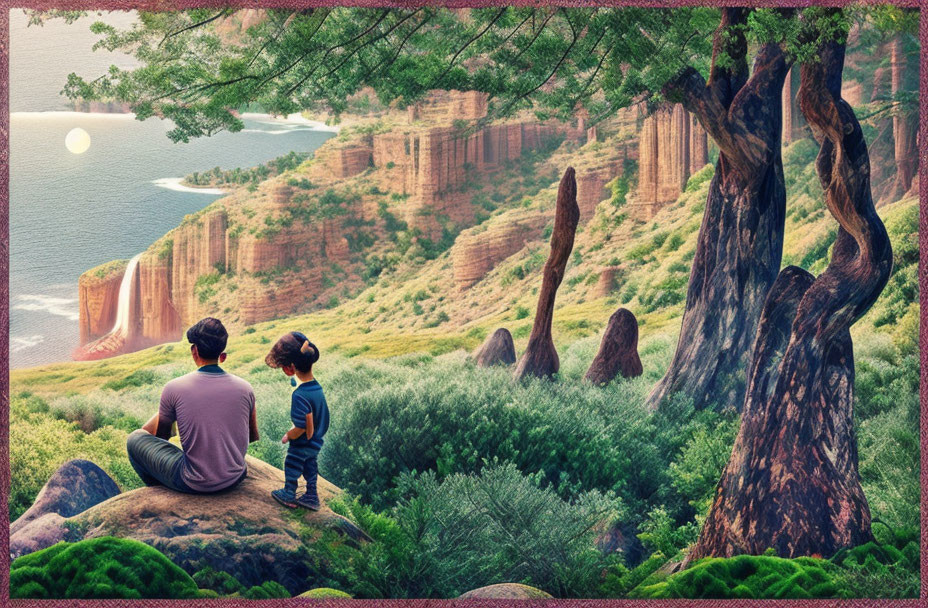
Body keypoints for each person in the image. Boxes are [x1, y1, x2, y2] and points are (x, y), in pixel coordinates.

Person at [126, 317, 259, 493]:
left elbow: (161, 438)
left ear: (194, 351)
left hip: (193, 482)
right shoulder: (245, 388)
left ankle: (159, 490)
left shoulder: (174, 388)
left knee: (134, 439)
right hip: (236, 478)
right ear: (223, 356)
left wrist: (165, 412)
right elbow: (252, 436)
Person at [264, 331, 328, 510]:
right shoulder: (318, 389)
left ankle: (289, 494)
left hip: (302, 443)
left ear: (289, 368)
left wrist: (288, 436)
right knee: (310, 466)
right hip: (315, 442)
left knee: (291, 463)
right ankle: (312, 496)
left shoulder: (299, 395)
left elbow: (300, 426)